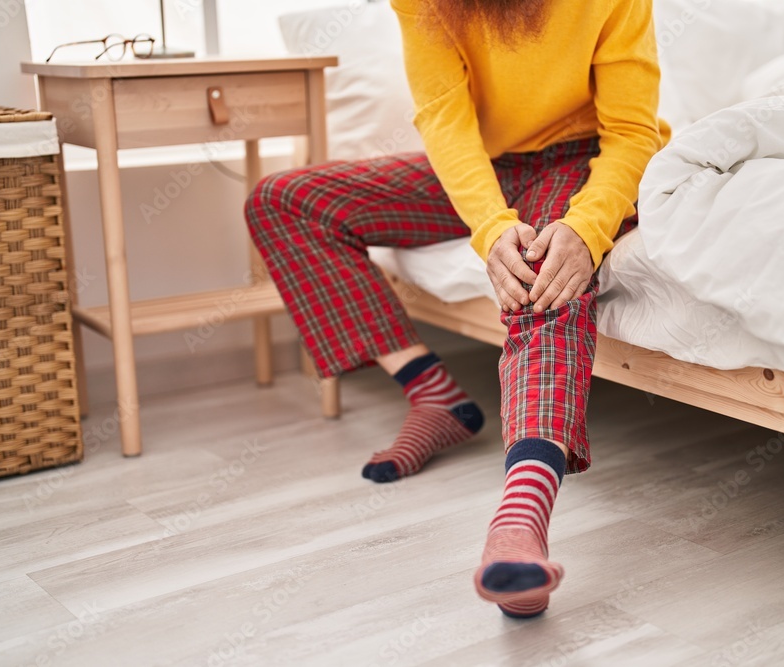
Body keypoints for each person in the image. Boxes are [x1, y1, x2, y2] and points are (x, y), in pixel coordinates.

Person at [245, 0, 669, 618]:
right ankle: (435, 395)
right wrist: (491, 228)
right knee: (283, 199)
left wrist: (588, 226)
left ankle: (521, 519)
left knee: (543, 271)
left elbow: (632, 131)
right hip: (485, 170)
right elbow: (445, 122)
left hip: (584, 159)